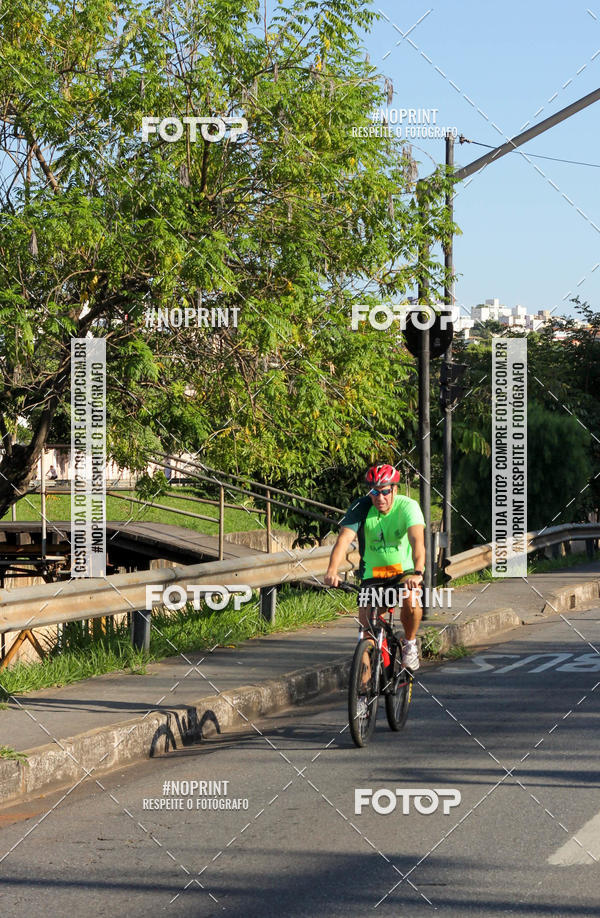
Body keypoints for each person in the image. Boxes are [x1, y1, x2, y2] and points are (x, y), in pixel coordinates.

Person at [324, 463, 425, 671]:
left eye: (385, 492)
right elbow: (343, 540)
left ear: (395, 489)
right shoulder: (360, 507)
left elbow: (417, 542)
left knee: (411, 599)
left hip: (404, 573)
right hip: (373, 576)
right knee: (366, 632)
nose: (380, 498)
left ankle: (410, 644)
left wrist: (418, 572)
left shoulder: (408, 506)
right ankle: (361, 696)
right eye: (374, 492)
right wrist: (332, 570)